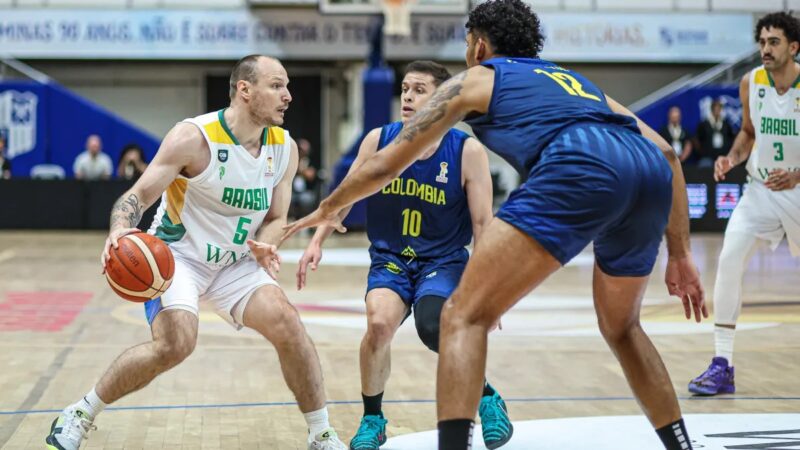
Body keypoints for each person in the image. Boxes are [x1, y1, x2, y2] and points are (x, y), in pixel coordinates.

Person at [283, 1, 706, 449]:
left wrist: (328, 208)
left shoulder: (480, 76)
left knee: (460, 318)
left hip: (580, 163)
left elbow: (389, 161)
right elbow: (666, 153)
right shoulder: (574, 82)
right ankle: (681, 445)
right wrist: (679, 254)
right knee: (623, 328)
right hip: (646, 172)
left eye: (468, 44)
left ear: (479, 45)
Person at [45, 55, 346, 450]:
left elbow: (276, 216)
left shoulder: (284, 148)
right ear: (244, 90)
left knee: (289, 325)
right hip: (178, 259)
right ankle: (79, 413)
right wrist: (120, 227)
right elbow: (138, 196)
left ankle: (321, 434)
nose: (288, 95)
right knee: (175, 345)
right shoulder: (193, 138)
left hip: (236, 260)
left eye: (287, 86)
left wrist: (268, 242)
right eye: (277, 85)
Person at [296, 61, 512, 450]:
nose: (408, 97)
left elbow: (483, 225)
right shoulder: (379, 140)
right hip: (391, 258)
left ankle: (487, 397)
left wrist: (490, 290)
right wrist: (317, 240)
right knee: (378, 325)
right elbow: (346, 195)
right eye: (406, 89)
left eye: (419, 90)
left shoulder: (467, 151)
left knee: (434, 324)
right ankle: (373, 419)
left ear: (443, 99)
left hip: (443, 260)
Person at [688, 11, 800, 396]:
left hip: (799, 190)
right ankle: (722, 365)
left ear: (794, 47)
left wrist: (797, 175)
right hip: (760, 191)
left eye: (774, 42)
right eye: (762, 42)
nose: (765, 49)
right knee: (729, 260)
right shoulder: (750, 82)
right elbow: (748, 132)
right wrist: (731, 158)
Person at [694, 99, 736, 168]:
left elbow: (731, 138)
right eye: (715, 109)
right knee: (704, 165)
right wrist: (702, 153)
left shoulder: (726, 124)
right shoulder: (704, 124)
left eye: (719, 109)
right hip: (707, 156)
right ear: (711, 110)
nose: (717, 111)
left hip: (723, 155)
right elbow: (697, 140)